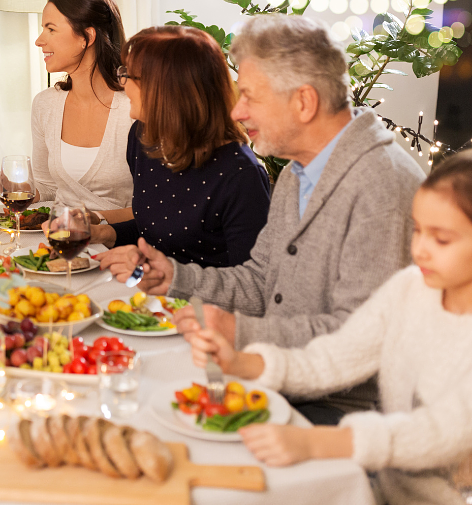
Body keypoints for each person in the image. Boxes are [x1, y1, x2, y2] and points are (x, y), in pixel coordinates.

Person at [99, 14, 426, 424]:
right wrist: (175, 278)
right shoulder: (298, 171)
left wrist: (243, 333)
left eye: (251, 96)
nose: (237, 111)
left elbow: (359, 338)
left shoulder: (381, 186)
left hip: (344, 414)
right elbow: (259, 281)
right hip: (278, 379)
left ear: (303, 102)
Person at [188, 151, 472, 505]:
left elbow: (441, 431)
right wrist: (247, 364)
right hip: (384, 490)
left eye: (441, 239)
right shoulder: (410, 288)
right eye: (417, 230)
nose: (420, 250)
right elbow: (340, 354)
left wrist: (319, 442)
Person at [90, 26, 270, 266]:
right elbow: (158, 231)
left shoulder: (240, 175)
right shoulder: (142, 136)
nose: (123, 84)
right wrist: (104, 233)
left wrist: (172, 280)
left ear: (166, 88)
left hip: (202, 303)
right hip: (150, 296)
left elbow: (253, 286)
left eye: (129, 75)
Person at [0, 0, 133, 216]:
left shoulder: (134, 107)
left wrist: (91, 222)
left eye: (51, 29)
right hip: (60, 240)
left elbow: (153, 208)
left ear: (87, 36)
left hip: (119, 245)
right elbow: (48, 187)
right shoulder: (46, 104)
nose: (39, 40)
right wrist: (5, 186)